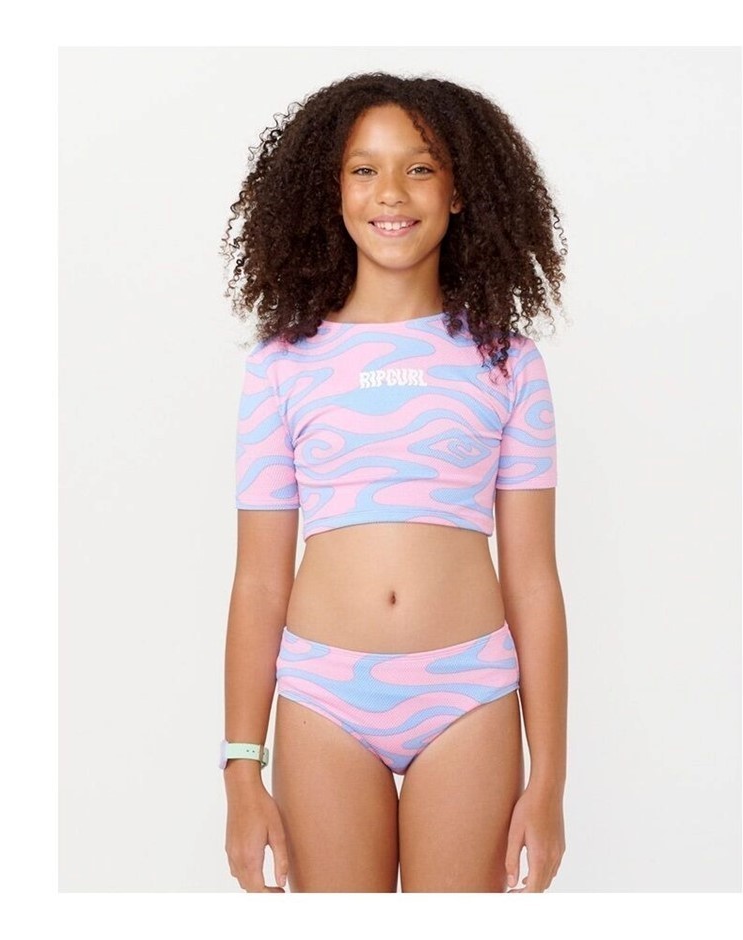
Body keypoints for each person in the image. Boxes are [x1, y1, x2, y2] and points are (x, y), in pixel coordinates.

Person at [218, 71, 569, 893]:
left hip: (469, 696)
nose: (391, 192)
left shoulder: (508, 362)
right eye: (364, 169)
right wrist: (241, 767)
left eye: (419, 167)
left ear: (459, 191)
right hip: (324, 698)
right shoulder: (281, 367)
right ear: (331, 190)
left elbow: (533, 578)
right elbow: (259, 579)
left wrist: (549, 779)